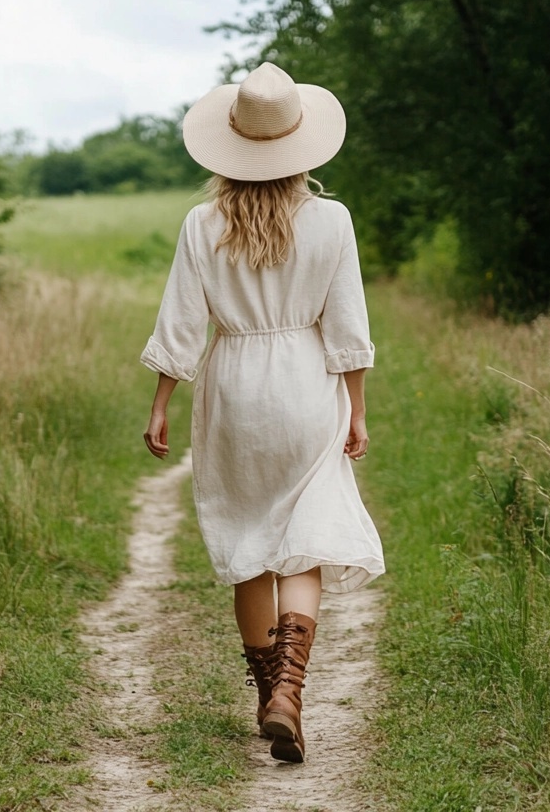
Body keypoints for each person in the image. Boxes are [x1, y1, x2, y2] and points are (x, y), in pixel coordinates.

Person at [140, 62, 384, 764]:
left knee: (250, 544)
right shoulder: (331, 220)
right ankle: (290, 694)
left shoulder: (201, 222)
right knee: (302, 541)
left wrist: (162, 401)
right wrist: (357, 411)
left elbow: (182, 321)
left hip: (233, 386)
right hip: (307, 385)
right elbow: (347, 325)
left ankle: (265, 696)